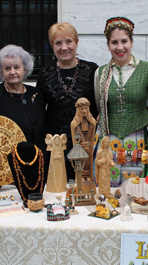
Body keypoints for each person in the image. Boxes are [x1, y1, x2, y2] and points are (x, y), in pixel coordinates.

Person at [95, 16, 148, 186]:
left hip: (138, 135)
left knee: (137, 186)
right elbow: (99, 104)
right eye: (114, 42)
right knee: (108, 181)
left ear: (131, 42)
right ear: (108, 45)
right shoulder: (101, 73)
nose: (120, 47)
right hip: (108, 138)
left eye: (124, 41)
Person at [37, 22, 98, 180]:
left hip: (87, 143)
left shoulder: (92, 70)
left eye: (69, 41)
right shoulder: (45, 74)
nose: (64, 47)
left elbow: (100, 105)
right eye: (58, 43)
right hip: (56, 147)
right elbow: (39, 112)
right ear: (52, 46)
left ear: (77, 43)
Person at [0, 45, 46, 151]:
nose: (12, 72)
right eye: (7, 68)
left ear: (25, 69)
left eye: (17, 67)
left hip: (37, 157)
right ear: (1, 71)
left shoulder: (35, 94)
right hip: (8, 159)